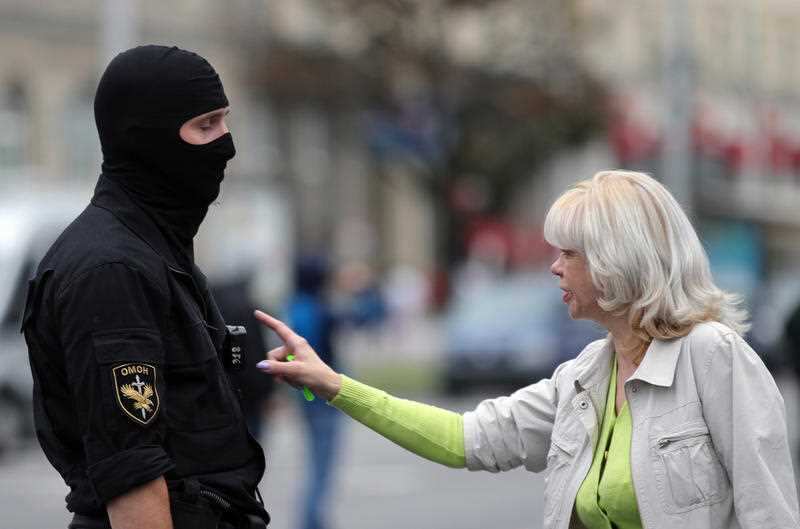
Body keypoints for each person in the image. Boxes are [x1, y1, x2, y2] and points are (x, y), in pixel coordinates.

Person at [253, 170, 800, 529]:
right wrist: (333, 385)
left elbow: (769, 513)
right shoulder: (585, 374)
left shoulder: (713, 355)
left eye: (570, 252)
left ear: (619, 258)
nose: (555, 267)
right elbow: (465, 439)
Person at [22, 45, 269, 529]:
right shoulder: (112, 270)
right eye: (206, 125)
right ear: (148, 138)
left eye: (224, 120)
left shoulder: (154, 249)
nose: (227, 143)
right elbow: (133, 475)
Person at [285, 255, 341, 529]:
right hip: (322, 397)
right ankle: (312, 521)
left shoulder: (295, 306)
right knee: (322, 463)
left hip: (308, 397)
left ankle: (313, 518)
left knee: (317, 462)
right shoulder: (316, 309)